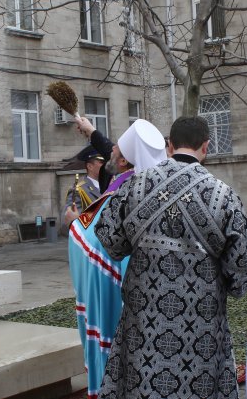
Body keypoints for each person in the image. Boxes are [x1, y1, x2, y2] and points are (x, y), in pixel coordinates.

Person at [94, 116, 247, 398]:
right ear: (206, 146)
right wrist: (233, 284)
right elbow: (244, 260)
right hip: (202, 319)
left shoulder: (135, 186)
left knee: (141, 381)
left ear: (169, 145)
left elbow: (109, 236)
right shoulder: (223, 195)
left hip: (143, 315)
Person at [68, 119, 166, 399]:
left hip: (114, 280)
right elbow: (110, 147)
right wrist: (89, 131)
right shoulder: (146, 183)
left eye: (115, 151)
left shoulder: (125, 192)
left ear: (124, 161)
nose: (109, 153)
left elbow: (96, 235)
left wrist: (78, 225)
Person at [62, 144, 105, 228]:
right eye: (102, 162)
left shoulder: (111, 186)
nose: (106, 165)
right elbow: (67, 222)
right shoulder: (78, 190)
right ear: (90, 166)